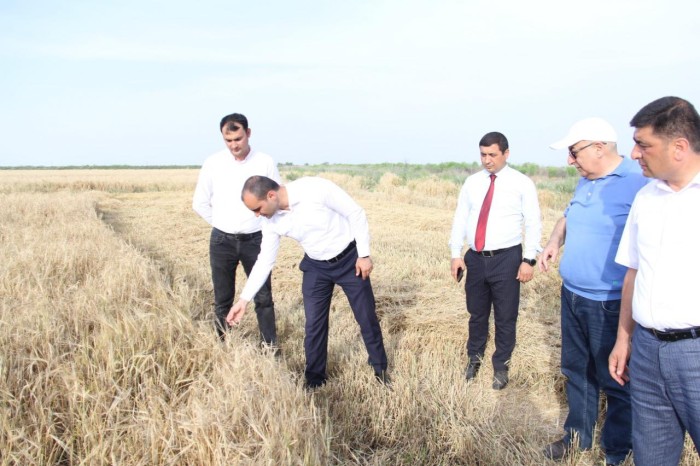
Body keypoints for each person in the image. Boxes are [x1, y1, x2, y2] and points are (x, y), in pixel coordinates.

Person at [540, 118, 647, 465]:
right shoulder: (585, 183)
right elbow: (568, 217)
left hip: (611, 304)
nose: (570, 161)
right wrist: (555, 241)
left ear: (599, 148)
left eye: (574, 153)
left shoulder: (637, 181)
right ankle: (576, 439)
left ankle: (617, 451)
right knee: (576, 370)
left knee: (616, 381)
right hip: (572, 295)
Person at [226, 175, 389, 389]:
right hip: (315, 267)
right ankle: (314, 380)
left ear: (271, 195)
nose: (257, 216)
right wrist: (243, 300)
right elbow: (265, 260)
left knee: (366, 317)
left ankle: (380, 369)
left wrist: (364, 254)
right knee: (314, 324)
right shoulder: (270, 221)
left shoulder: (314, 188)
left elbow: (355, 212)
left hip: (350, 260)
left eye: (257, 209)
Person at [609, 96, 700, 466]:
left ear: (679, 147)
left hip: (694, 354)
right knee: (652, 458)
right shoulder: (646, 197)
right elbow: (634, 270)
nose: (633, 153)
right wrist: (623, 338)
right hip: (646, 353)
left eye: (643, 144)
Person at [449, 131, 542, 390]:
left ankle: (501, 365)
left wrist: (529, 260)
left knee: (505, 316)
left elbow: (533, 222)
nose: (487, 160)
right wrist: (456, 254)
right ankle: (474, 359)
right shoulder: (472, 183)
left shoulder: (522, 183)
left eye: (492, 155)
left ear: (506, 154)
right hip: (476, 259)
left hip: (507, 258)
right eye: (483, 154)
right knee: (477, 314)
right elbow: (460, 218)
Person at [192, 113, 279, 346]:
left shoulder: (265, 162)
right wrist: (222, 223)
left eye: (238, 139)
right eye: (228, 140)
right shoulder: (213, 163)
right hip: (222, 241)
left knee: (263, 297)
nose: (234, 145)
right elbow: (199, 203)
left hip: (256, 240)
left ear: (248, 133)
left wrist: (257, 225)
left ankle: (269, 347)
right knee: (222, 298)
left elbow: (275, 199)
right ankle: (222, 344)